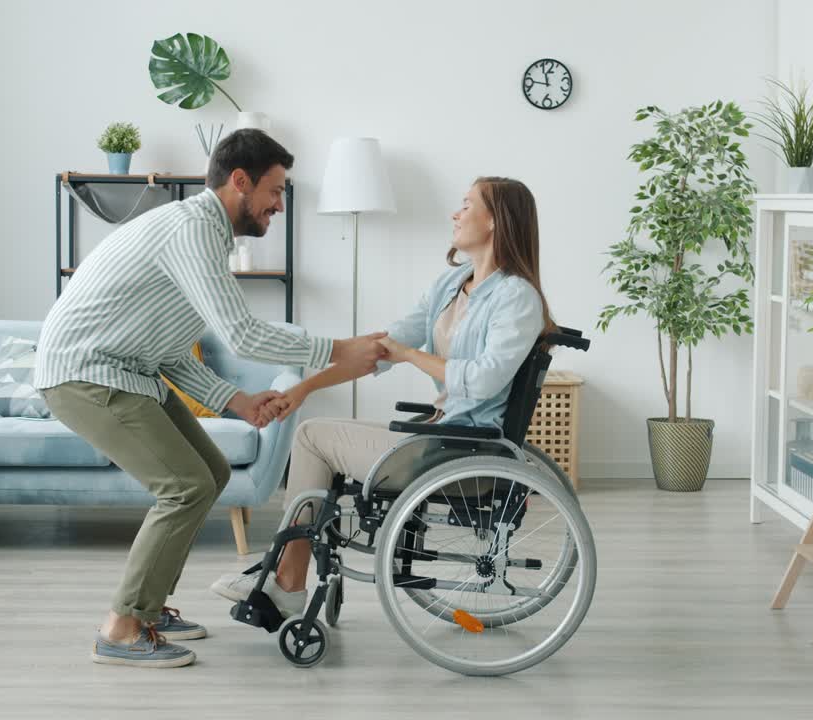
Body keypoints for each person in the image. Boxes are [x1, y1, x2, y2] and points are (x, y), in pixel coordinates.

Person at [35, 129, 387, 668]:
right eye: (276, 190)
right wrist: (339, 347)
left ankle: (148, 608)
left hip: (129, 370)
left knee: (211, 473)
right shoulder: (192, 229)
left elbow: (172, 351)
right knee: (184, 485)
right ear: (239, 181)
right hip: (88, 373)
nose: (279, 205)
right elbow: (244, 334)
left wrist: (237, 402)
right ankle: (122, 626)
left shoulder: (207, 236)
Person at [211, 176, 555, 615]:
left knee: (313, 438)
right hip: (438, 436)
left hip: (466, 451)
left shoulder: (516, 297)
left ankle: (288, 581)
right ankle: (288, 577)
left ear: (494, 221)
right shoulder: (452, 285)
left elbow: (484, 380)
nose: (455, 213)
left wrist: (411, 355)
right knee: (311, 431)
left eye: (466, 205)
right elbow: (381, 349)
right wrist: (303, 389)